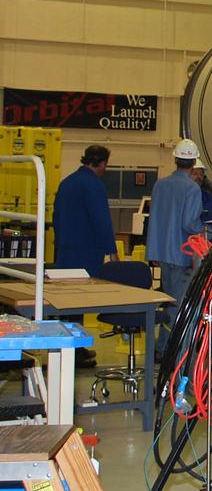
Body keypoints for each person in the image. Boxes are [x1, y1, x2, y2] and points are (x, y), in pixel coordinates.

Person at [52, 144, 117, 367]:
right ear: (102, 163)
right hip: (86, 253)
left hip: (65, 252)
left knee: (65, 303)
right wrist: (112, 252)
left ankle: (68, 348)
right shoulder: (93, 185)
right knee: (78, 303)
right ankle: (75, 352)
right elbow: (101, 220)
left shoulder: (66, 183)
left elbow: (56, 218)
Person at [147, 138, 207, 350]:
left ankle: (162, 347)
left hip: (162, 253)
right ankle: (175, 352)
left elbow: (154, 218)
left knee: (170, 302)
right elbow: (189, 224)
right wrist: (207, 229)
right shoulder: (192, 188)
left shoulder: (160, 184)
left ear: (175, 160)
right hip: (182, 255)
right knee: (181, 306)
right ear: (193, 163)